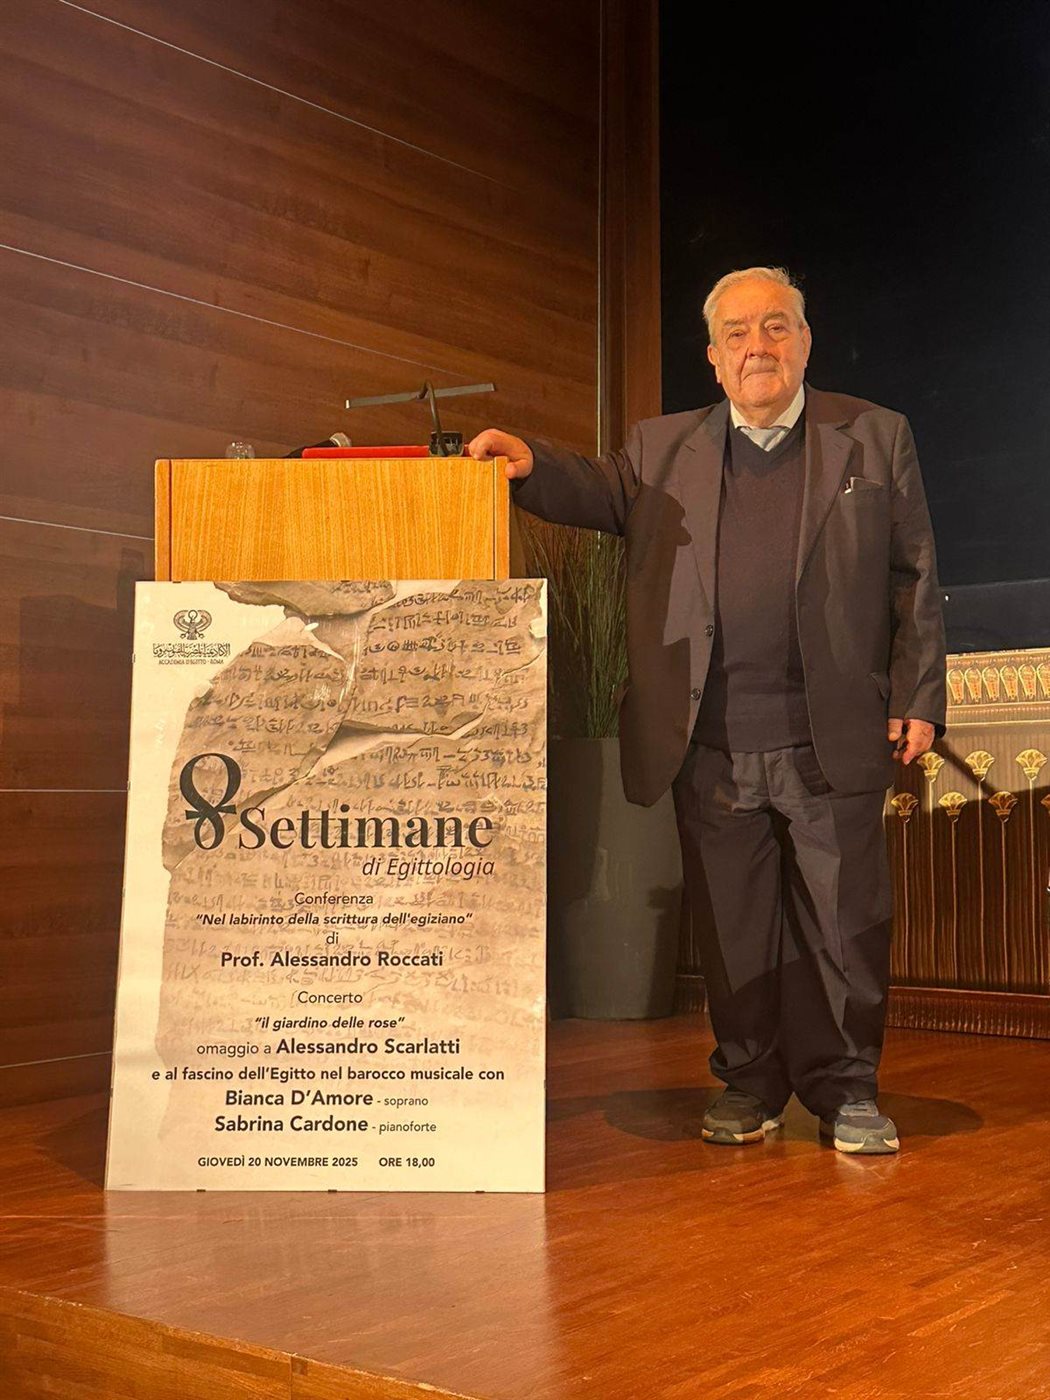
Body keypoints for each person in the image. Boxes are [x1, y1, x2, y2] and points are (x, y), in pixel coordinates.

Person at [468, 266, 946, 1155]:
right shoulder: (661, 448)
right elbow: (597, 487)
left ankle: (846, 1092)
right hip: (712, 741)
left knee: (844, 926)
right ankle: (749, 1084)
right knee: (732, 929)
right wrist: (529, 463)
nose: (758, 346)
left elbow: (913, 572)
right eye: (737, 333)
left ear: (805, 341)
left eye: (776, 326)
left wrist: (919, 693)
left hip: (832, 734)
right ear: (715, 359)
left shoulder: (874, 436)